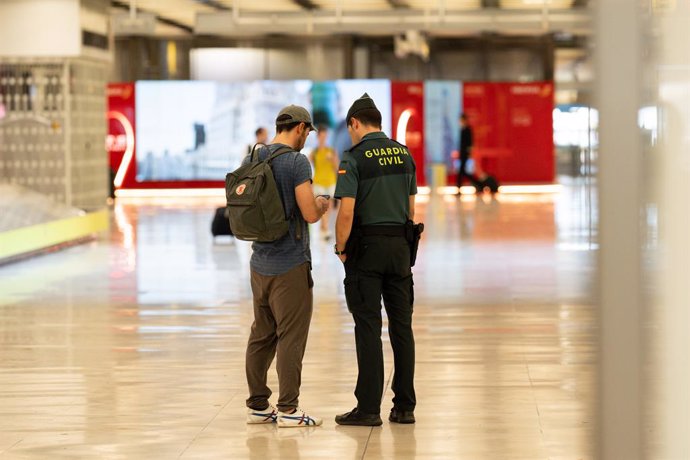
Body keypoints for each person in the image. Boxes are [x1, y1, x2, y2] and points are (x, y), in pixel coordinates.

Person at [333, 93, 418, 426]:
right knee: (402, 328)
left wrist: (342, 248)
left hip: (365, 251)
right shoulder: (404, 153)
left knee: (368, 327)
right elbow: (412, 210)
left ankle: (368, 408)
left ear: (355, 123)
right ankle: (405, 406)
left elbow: (347, 211)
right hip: (400, 250)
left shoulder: (354, 157)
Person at [244, 105, 329, 428]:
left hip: (259, 263)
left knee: (261, 334)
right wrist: (322, 204)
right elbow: (308, 213)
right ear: (300, 128)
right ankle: (289, 410)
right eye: (307, 132)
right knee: (291, 336)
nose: (307, 138)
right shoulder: (295, 162)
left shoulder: (254, 157)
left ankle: (257, 405)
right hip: (289, 265)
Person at [309, 126, 339, 240]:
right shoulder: (315, 152)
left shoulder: (331, 151)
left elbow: (337, 167)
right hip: (319, 181)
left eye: (325, 136)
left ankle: (324, 227)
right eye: (321, 136)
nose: (323, 138)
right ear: (318, 137)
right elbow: (307, 162)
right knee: (322, 205)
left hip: (330, 181)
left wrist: (332, 160)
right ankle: (325, 228)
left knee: (330, 205)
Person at [456, 113, 478, 191]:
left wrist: (469, 153)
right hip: (462, 153)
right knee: (463, 171)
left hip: (465, 153)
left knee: (461, 171)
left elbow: (470, 143)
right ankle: (477, 184)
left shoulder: (468, 129)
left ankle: (459, 188)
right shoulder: (462, 129)